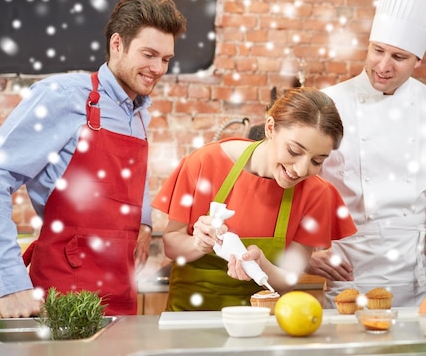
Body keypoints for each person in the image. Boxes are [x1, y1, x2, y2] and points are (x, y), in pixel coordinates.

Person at [0, 0, 187, 317]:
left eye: (166, 59)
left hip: (121, 293)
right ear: (117, 44)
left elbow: (134, 180)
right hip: (63, 296)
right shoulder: (62, 97)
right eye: (149, 54)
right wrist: (10, 281)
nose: (158, 68)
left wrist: (144, 224)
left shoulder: (139, 115)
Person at [304, 0, 426, 308]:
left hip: (419, 269)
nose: (383, 65)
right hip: (349, 265)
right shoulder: (327, 103)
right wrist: (302, 252)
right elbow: (294, 182)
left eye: (398, 57)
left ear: (417, 60)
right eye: (377, 50)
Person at [152, 87, 357, 311]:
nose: (301, 169)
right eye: (293, 151)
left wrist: (261, 265)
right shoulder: (205, 162)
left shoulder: (317, 194)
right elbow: (171, 243)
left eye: (317, 161)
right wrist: (198, 243)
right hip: (190, 317)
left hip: (259, 322)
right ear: (270, 128)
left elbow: (288, 279)